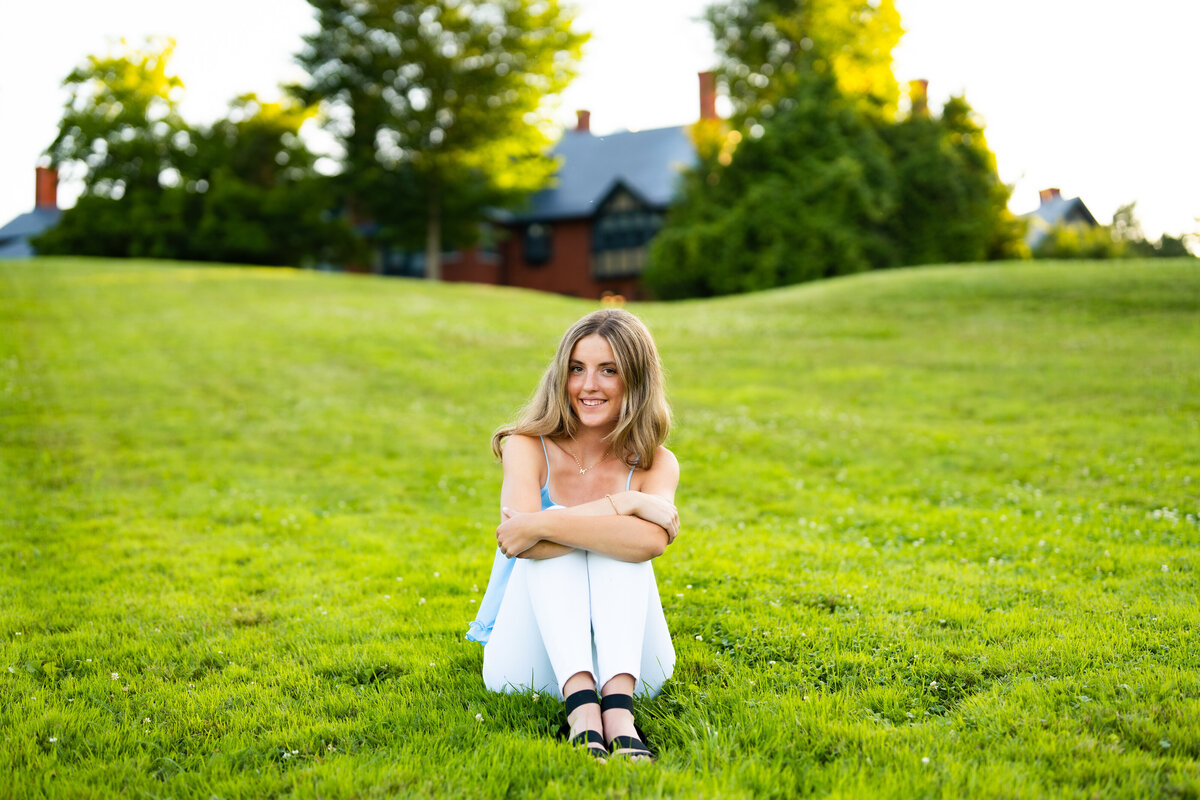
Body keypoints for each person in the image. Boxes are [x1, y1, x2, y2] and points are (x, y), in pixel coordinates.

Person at [466, 308, 680, 761]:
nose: (588, 386)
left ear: (637, 379)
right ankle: (582, 710)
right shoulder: (527, 446)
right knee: (586, 542)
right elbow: (522, 545)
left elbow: (649, 544)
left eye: (609, 371)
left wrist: (546, 520)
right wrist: (622, 510)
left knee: (613, 545)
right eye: (576, 369)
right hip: (530, 663)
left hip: (634, 665)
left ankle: (619, 714)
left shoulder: (658, 461)